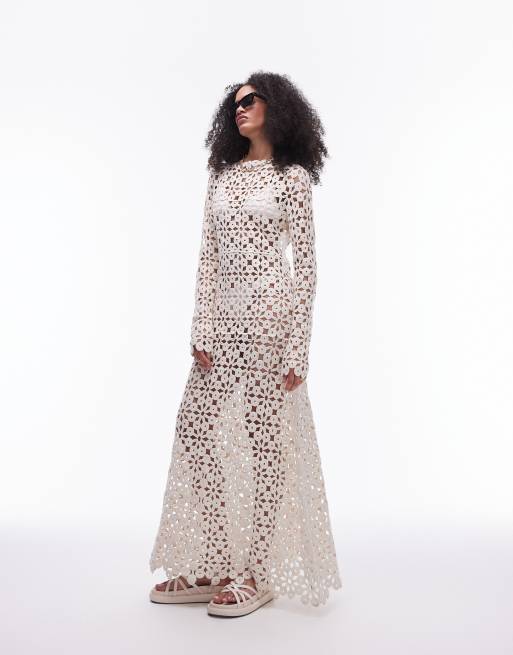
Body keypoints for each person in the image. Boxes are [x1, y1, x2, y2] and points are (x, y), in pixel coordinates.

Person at [148, 71, 342, 618]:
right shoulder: (221, 176)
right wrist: (201, 325)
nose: (241, 108)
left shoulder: (292, 178)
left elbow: (306, 268)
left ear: (276, 108)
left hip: (269, 323)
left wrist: (298, 347)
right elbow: (207, 258)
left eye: (251, 100)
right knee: (195, 432)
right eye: (235, 103)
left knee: (264, 444)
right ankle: (214, 561)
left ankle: (255, 573)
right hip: (222, 325)